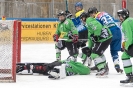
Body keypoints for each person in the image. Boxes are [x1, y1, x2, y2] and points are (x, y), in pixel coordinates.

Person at [88, 7, 123, 73]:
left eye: (91, 14)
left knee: (98, 49)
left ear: (95, 12)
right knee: (114, 51)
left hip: (109, 32)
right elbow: (113, 20)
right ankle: (117, 66)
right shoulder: (105, 13)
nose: (91, 15)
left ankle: (99, 65)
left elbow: (99, 27)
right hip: (117, 31)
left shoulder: (96, 18)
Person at [85, 12, 112, 77]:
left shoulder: (88, 20)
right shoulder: (89, 25)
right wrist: (90, 48)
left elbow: (98, 27)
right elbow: (90, 38)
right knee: (98, 53)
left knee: (95, 54)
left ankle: (102, 69)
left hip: (104, 38)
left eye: (82, 18)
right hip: (106, 38)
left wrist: (96, 36)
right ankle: (102, 67)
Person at [16, 56, 90, 79]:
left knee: (46, 68)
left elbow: (86, 71)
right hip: (59, 65)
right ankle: (24, 67)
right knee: (45, 67)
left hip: (62, 68)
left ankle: (24, 67)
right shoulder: (69, 62)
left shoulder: (78, 66)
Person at [117, 8, 133, 86]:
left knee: (125, 56)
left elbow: (129, 38)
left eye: (120, 16)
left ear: (124, 15)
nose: (120, 18)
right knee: (125, 55)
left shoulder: (125, 23)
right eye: (119, 16)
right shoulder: (130, 20)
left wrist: (125, 47)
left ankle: (130, 77)